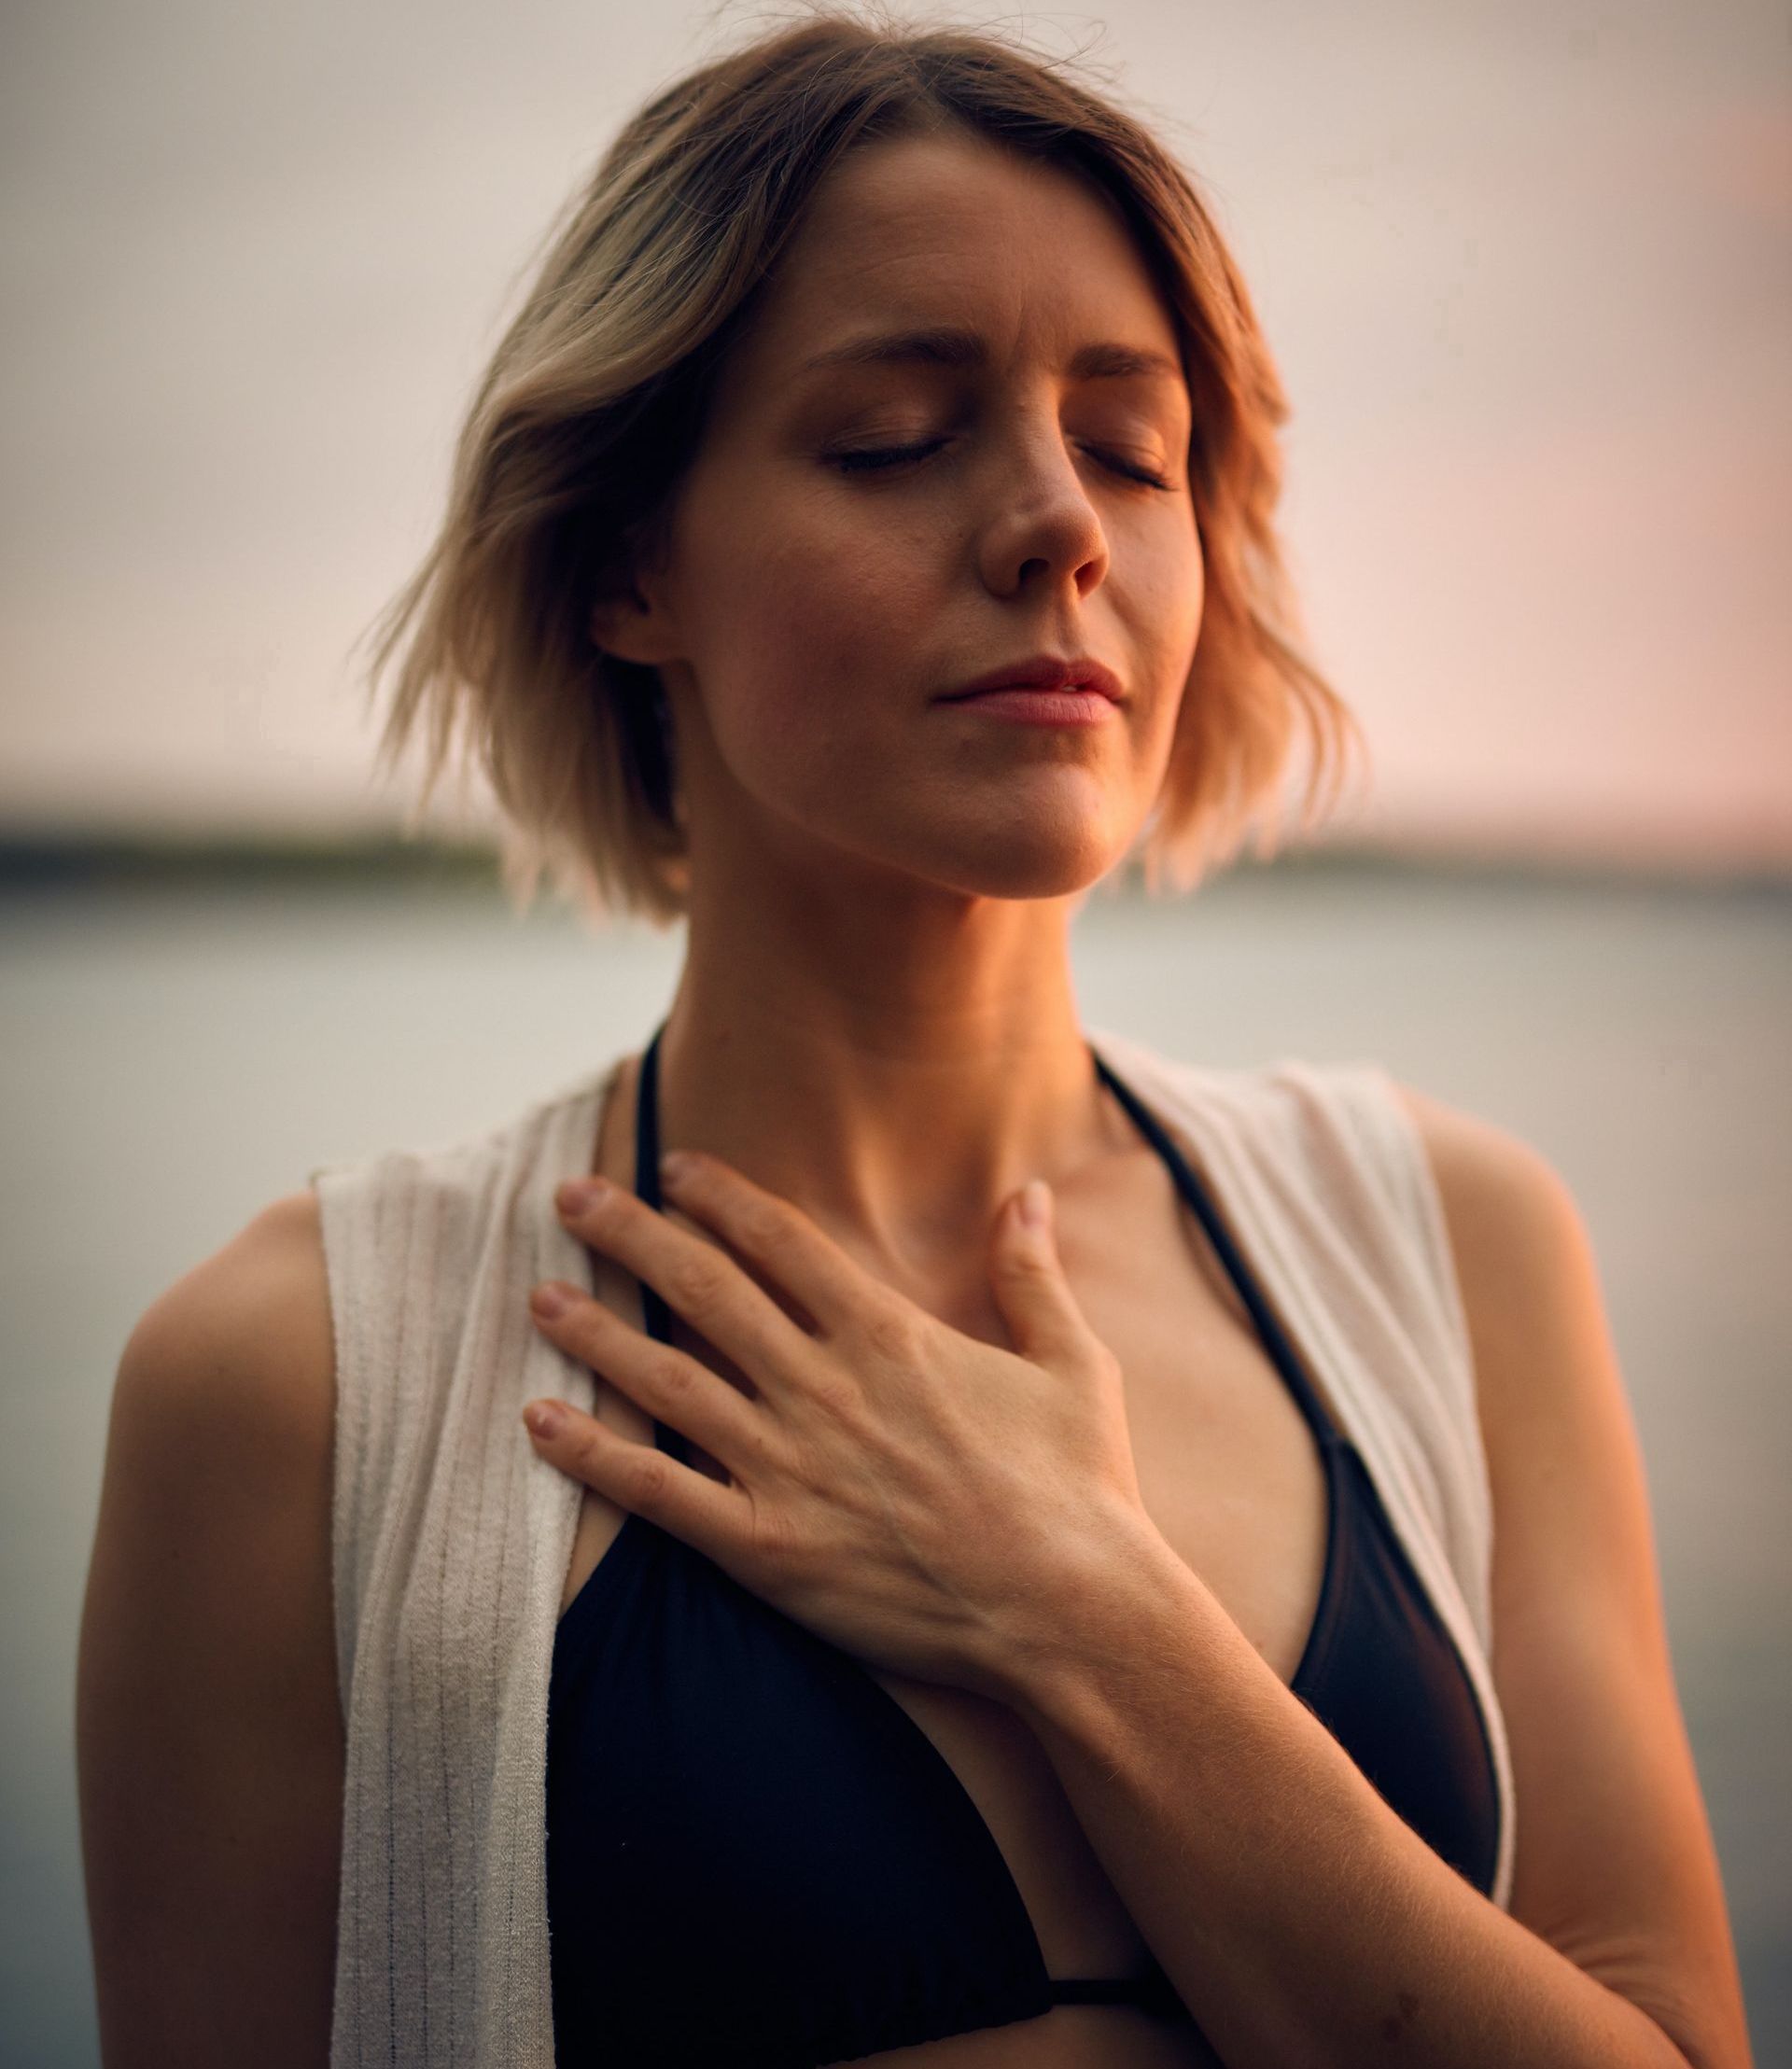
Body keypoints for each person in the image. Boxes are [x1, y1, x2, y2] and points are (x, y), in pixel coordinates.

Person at [76, 10, 1753, 2067]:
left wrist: (1086, 1607)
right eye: (892, 434)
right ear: (628, 566)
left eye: (1134, 449)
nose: (1060, 523)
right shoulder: (296, 1384)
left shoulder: (1453, 1247)